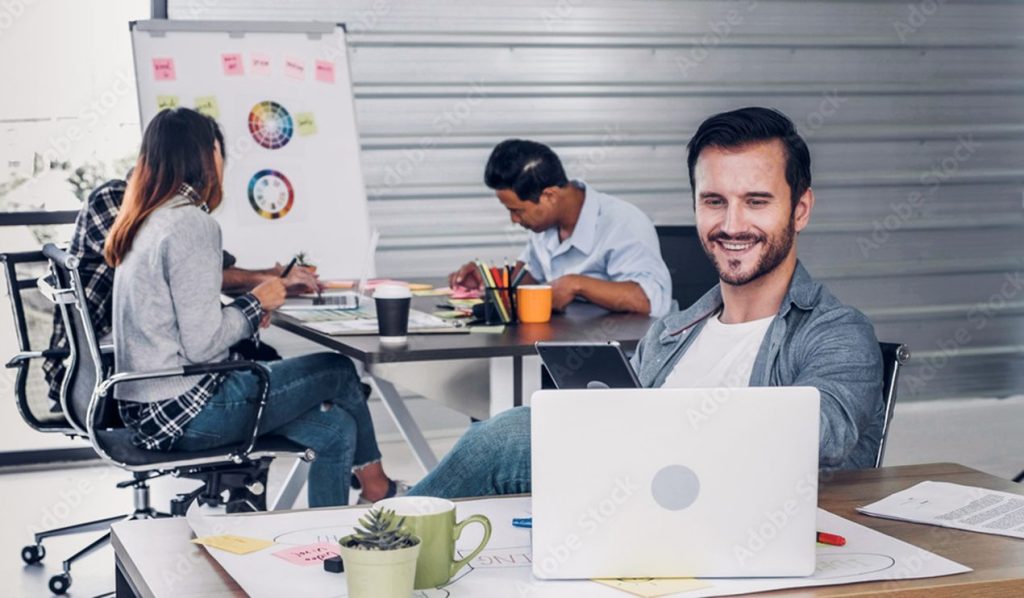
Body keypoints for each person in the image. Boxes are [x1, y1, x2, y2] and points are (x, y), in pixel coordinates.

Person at [410, 107, 884, 499]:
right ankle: (384, 541)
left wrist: (661, 427)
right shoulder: (673, 331)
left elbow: (825, 435)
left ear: (799, 210)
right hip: (633, 501)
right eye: (714, 201)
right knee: (503, 436)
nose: (732, 225)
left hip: (734, 512)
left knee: (508, 436)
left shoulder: (836, 332)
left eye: (757, 201)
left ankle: (377, 539)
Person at [105, 108, 403, 507]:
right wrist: (254, 304)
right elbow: (202, 344)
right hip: (188, 410)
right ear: (209, 154)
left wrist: (247, 310)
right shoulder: (190, 223)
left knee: (335, 429)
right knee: (337, 369)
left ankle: (325, 542)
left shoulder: (143, 219)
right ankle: (377, 487)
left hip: (147, 410)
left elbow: (183, 318)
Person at [41, 172, 319, 412]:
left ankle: (242, 465)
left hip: (116, 362)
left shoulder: (152, 215)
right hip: (106, 369)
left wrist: (272, 279)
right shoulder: (117, 200)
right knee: (270, 367)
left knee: (260, 355)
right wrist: (260, 293)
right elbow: (200, 275)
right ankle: (233, 454)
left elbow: (203, 271)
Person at [448, 139, 673, 317]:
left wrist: (576, 284)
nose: (514, 220)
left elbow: (649, 300)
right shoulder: (544, 227)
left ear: (550, 195)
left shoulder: (623, 222)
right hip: (567, 345)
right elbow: (525, 281)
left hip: (629, 357)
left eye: (517, 210)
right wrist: (488, 279)